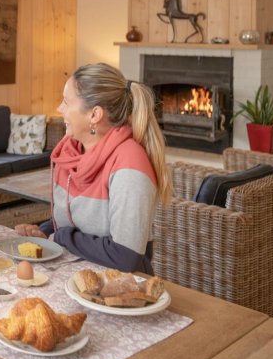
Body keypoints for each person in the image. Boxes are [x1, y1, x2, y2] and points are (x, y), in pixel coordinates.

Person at [15, 63, 172, 274]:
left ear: (94, 114)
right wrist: (44, 232)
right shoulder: (70, 154)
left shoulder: (129, 163)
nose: (59, 109)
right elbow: (74, 225)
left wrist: (61, 237)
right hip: (70, 274)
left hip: (119, 292)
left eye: (66, 102)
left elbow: (126, 257)